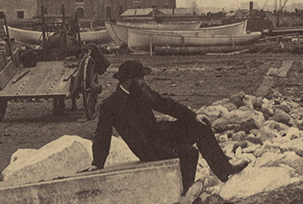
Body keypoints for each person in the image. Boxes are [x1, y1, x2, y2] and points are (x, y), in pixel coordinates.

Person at [89, 60, 248, 192]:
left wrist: (193, 116)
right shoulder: (110, 105)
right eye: (141, 78)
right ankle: (185, 195)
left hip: (158, 134)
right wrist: (97, 163)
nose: (144, 81)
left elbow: (165, 104)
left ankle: (225, 171)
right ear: (129, 80)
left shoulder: (141, 91)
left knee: (200, 126)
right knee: (189, 153)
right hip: (146, 147)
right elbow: (102, 134)